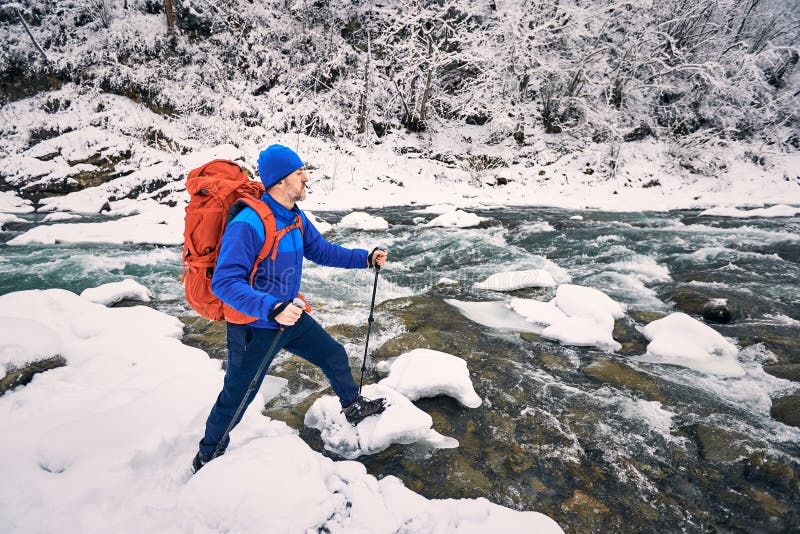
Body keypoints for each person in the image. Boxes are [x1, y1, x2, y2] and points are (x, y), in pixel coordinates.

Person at [192, 144, 388, 473]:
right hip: (254, 327)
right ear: (281, 181)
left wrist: (364, 258)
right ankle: (207, 454)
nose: (306, 178)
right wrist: (272, 308)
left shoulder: (294, 216)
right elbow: (225, 283)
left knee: (333, 354)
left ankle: (352, 405)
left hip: (289, 317)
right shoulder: (249, 222)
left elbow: (321, 251)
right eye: (299, 173)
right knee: (239, 394)